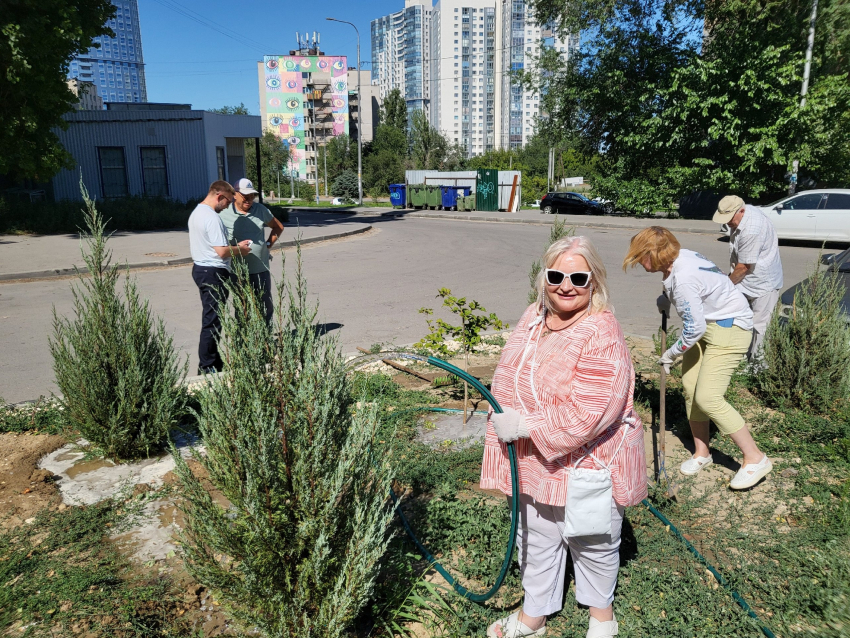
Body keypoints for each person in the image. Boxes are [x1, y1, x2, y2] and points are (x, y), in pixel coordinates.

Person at [482, 236, 647, 638]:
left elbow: (590, 413)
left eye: (578, 276)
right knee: (535, 536)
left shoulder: (600, 332)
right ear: (544, 279)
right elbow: (509, 373)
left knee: (592, 538)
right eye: (556, 275)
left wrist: (526, 425)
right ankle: (534, 615)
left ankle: (602, 617)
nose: (566, 285)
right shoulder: (534, 316)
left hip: (585, 460)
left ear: (594, 281)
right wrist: (506, 417)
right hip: (532, 458)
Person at [623, 227, 772, 490]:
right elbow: (699, 293)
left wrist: (670, 354)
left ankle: (755, 458)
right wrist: (665, 297)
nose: (637, 262)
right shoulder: (681, 258)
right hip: (709, 323)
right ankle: (703, 453)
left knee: (708, 397)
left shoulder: (683, 279)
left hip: (730, 328)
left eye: (640, 256)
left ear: (655, 255)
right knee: (692, 389)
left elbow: (693, 328)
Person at [188, 181, 252, 375]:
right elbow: (222, 252)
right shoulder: (212, 218)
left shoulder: (196, 213)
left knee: (213, 319)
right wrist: (240, 250)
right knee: (212, 321)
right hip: (213, 272)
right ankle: (207, 367)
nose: (228, 206)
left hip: (202, 269)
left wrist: (235, 247)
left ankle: (213, 362)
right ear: (220, 196)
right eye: (228, 202)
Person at [713, 195, 783, 362]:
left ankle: (757, 367)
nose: (727, 223)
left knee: (760, 326)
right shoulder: (744, 214)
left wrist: (726, 285)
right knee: (740, 319)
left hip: (763, 283)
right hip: (746, 280)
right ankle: (740, 358)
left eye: (729, 219)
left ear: (741, 211)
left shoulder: (751, 229)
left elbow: (744, 267)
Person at [219, 178, 285, 325]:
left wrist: (267, 245)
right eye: (245, 195)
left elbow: (278, 227)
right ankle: (244, 342)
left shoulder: (260, 210)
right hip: (237, 270)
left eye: (252, 195)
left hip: (260, 268)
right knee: (242, 307)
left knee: (265, 306)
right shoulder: (224, 212)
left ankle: (265, 340)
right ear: (235, 194)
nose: (249, 199)